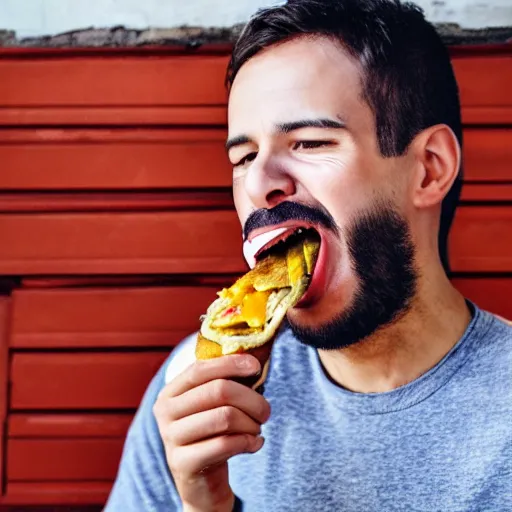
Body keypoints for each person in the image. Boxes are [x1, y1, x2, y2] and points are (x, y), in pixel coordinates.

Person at [104, 0, 512, 510]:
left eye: (310, 142)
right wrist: (203, 505)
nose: (257, 182)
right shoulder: (194, 391)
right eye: (244, 156)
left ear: (428, 169)